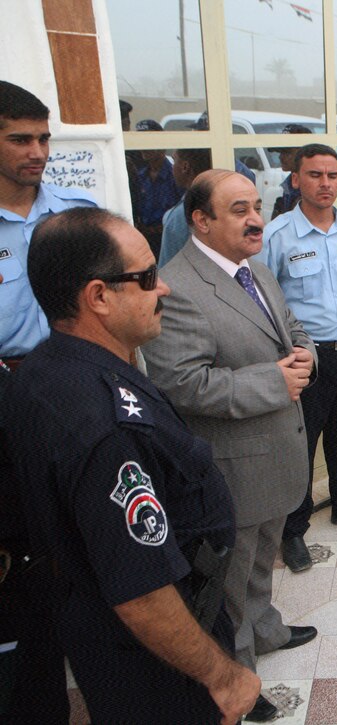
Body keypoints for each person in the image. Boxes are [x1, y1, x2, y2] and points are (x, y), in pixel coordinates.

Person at [0, 207, 261, 723]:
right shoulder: (106, 426)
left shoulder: (46, 368)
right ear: (98, 296)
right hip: (159, 657)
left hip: (101, 628)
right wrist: (223, 677)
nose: (163, 288)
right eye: (146, 278)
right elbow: (141, 593)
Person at [142, 170, 318, 722]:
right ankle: (237, 672)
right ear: (201, 220)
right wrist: (275, 381)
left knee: (263, 558)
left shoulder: (255, 270)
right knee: (230, 583)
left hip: (277, 454)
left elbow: (292, 329)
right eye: (240, 210)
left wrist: (307, 355)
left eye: (257, 207)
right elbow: (181, 383)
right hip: (233, 465)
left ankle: (267, 630)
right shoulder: (177, 288)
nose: (256, 220)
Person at [0, 80, 96, 723]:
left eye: (43, 139)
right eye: (19, 139)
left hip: (77, 386)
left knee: (85, 527)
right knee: (24, 542)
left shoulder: (76, 214)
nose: (37, 152)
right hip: (9, 392)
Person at [258, 144, 337, 574]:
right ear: (296, 179)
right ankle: (293, 530)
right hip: (306, 358)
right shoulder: (277, 236)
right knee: (300, 446)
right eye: (315, 175)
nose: (325, 183)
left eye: (332, 175)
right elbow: (262, 304)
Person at [131, 119, 182, 260]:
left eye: (148, 142)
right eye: (140, 142)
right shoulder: (140, 176)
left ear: (162, 145)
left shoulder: (175, 176)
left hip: (167, 239)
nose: (144, 148)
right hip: (143, 241)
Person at [159, 147, 212, 266]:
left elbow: (168, 265)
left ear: (185, 167)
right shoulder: (213, 204)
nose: (172, 167)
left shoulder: (180, 216)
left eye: (174, 161)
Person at [270, 123, 313, 220]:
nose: (281, 157)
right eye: (280, 152)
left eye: (286, 152)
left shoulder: (316, 186)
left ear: (304, 152)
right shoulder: (289, 185)